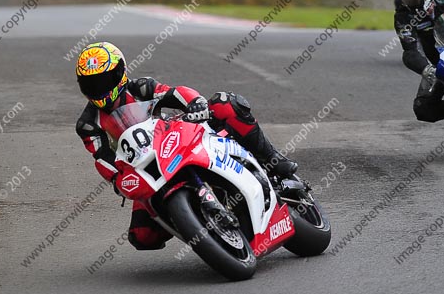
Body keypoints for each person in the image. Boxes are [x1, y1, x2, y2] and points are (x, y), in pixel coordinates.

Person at [74, 42, 297, 250]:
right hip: (146, 169)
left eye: (103, 80)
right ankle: (197, 222)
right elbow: (102, 158)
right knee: (142, 237)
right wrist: (117, 178)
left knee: (225, 104)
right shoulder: (88, 124)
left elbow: (174, 93)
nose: (98, 88)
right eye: (90, 83)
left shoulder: (141, 88)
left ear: (119, 73)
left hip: (178, 139)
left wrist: (195, 103)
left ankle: (273, 160)